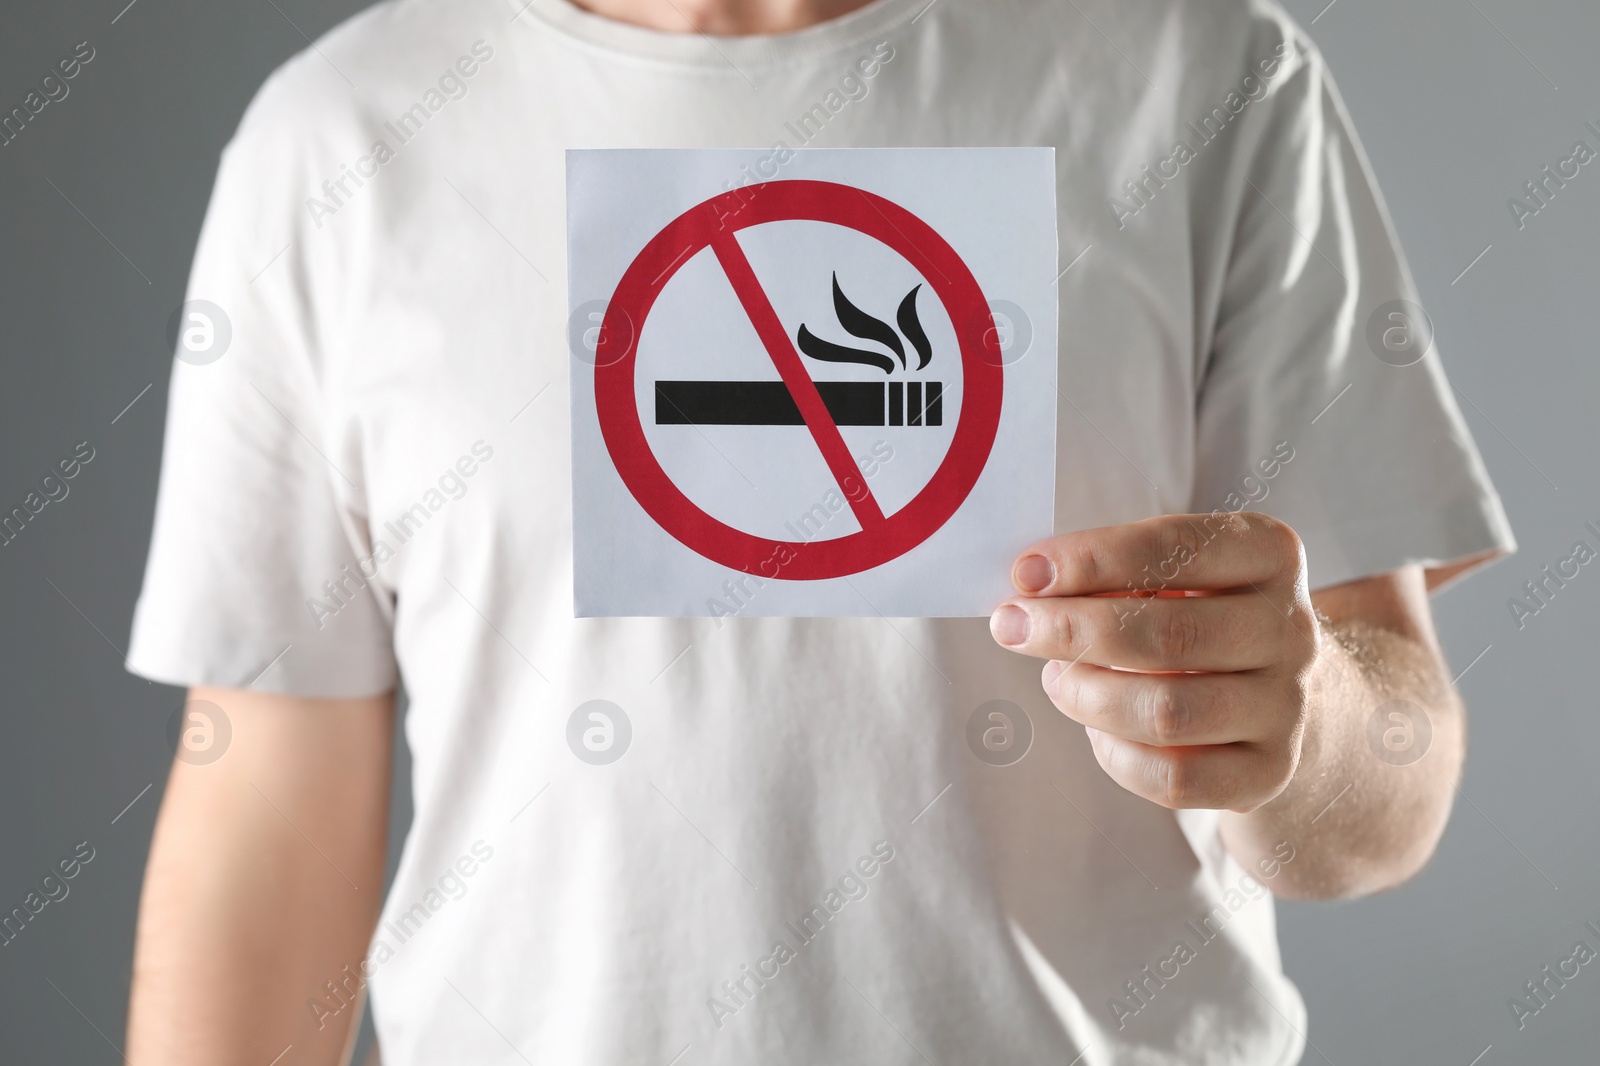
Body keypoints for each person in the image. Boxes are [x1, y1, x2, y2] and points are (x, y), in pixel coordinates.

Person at [123, 0, 1515, 1063]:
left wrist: (1306, 716)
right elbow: (267, 796)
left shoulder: (1204, 72)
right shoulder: (340, 139)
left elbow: (1395, 776)